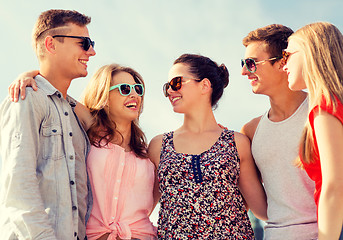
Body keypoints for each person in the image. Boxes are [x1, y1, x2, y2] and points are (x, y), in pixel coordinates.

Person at [148, 53, 267, 239]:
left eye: (176, 82)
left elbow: (262, 209)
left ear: (204, 85)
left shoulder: (237, 143)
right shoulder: (158, 145)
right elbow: (142, 210)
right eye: (167, 87)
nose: (170, 91)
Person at [0, 9, 96, 240]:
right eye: (84, 43)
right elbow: (17, 185)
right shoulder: (27, 98)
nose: (92, 51)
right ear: (51, 45)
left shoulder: (76, 113)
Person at [240, 24, 318, 239]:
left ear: (283, 61)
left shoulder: (323, 110)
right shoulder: (251, 131)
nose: (244, 71)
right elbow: (258, 206)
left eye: (251, 63)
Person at [79, 64, 157, 239]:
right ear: (104, 96)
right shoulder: (88, 133)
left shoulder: (149, 153)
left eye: (138, 89)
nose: (134, 95)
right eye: (124, 89)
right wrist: (30, 76)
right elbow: (57, 94)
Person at [283, 22, 343, 240]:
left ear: (310, 52)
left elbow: (334, 185)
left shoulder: (325, 107)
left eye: (287, 55)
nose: (284, 65)